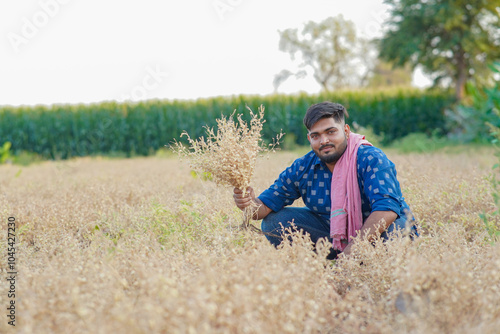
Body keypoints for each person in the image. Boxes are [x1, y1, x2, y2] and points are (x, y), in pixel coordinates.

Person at [233, 101, 417, 258]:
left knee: (397, 230)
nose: (324, 141)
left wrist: (350, 255)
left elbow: (386, 211)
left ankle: (371, 265)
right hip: (335, 235)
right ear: (309, 138)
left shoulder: (370, 158)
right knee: (273, 222)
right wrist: (248, 204)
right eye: (316, 136)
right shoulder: (303, 167)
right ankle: (315, 270)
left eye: (331, 132)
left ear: (346, 131)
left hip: (381, 231)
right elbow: (263, 209)